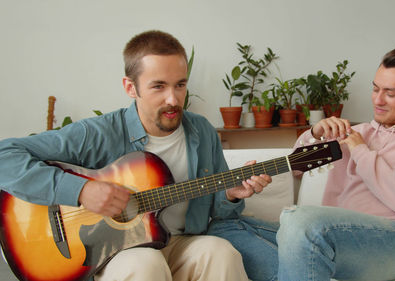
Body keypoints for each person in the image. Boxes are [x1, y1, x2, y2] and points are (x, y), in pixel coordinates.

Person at [0, 30, 278, 281]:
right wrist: (81, 189)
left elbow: (219, 214)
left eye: (180, 85)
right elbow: (4, 155)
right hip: (115, 253)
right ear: (130, 87)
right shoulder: (97, 133)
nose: (173, 99)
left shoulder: (202, 131)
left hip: (178, 242)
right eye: (159, 86)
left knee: (220, 252)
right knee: (145, 263)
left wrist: (229, 194)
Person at [277, 47, 395, 281]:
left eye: (390, 93)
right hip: (347, 238)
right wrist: (315, 134)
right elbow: (296, 168)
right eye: (376, 89)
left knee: (300, 223)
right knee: (237, 229)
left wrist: (361, 153)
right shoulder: (359, 132)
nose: (378, 100)